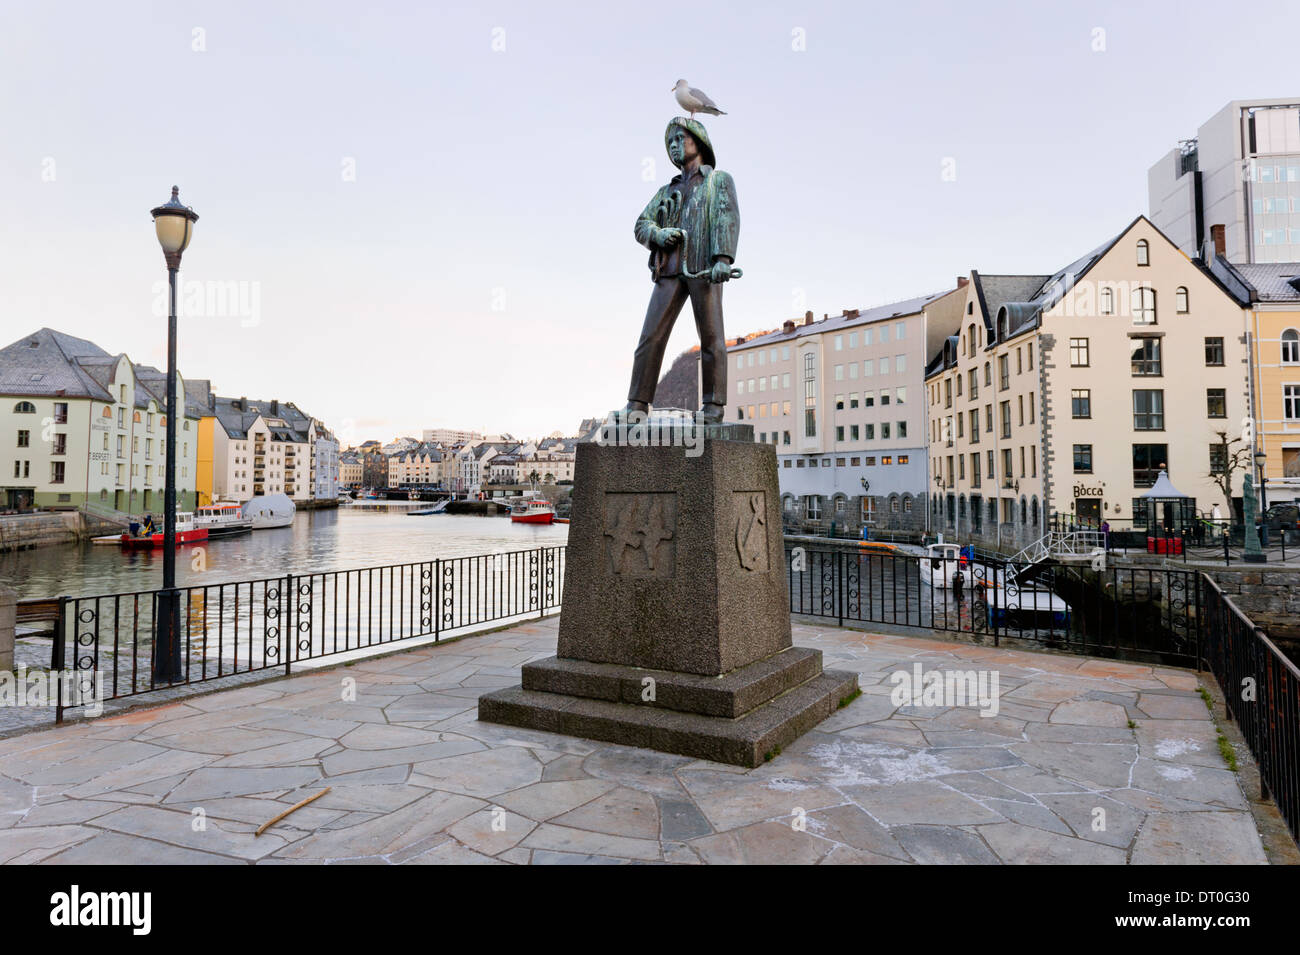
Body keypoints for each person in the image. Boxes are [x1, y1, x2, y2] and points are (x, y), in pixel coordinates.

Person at [625, 118, 740, 423]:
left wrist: (723, 259)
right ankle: (637, 404)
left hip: (704, 267)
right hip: (669, 268)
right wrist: (657, 235)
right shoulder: (667, 189)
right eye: (670, 143)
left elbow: (726, 218)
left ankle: (713, 406)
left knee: (712, 337)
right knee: (651, 336)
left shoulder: (719, 181)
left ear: (698, 141)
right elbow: (641, 224)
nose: (674, 146)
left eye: (679, 139)